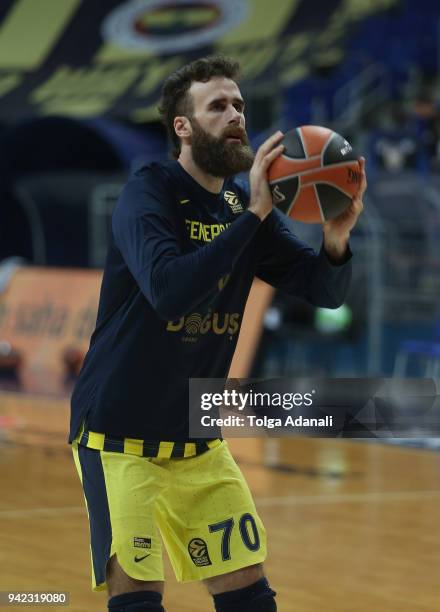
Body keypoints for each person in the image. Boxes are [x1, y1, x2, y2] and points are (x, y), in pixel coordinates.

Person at [69, 55, 366, 612]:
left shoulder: (240, 205)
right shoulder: (148, 193)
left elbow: (322, 289)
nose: (236, 115)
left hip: (197, 436)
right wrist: (253, 217)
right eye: (218, 106)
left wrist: (336, 238)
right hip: (117, 435)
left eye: (240, 105)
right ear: (182, 127)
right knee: (138, 601)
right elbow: (169, 291)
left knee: (251, 598)